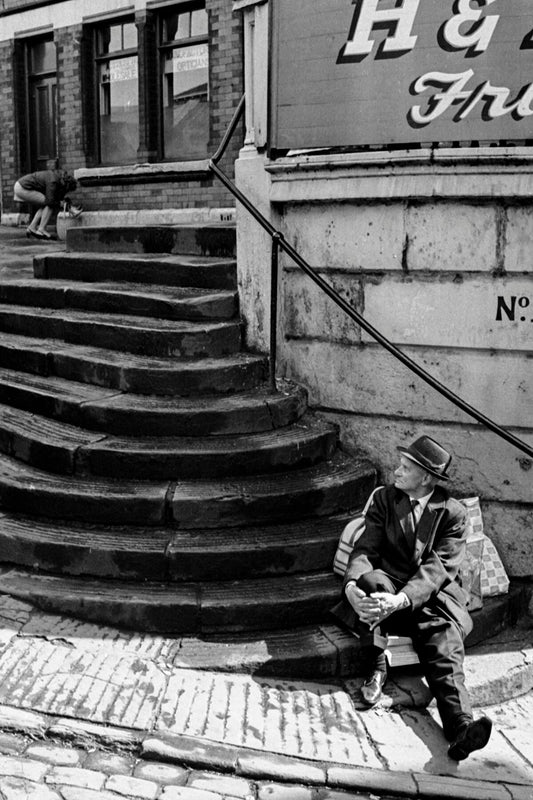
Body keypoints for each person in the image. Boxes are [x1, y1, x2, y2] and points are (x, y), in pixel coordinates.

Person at [331, 434, 492, 761]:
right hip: (386, 587)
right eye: (399, 465)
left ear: (427, 478)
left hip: (431, 600)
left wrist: (402, 600)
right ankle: (377, 666)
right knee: (372, 584)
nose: (397, 471)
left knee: (445, 651)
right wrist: (351, 590)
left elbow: (437, 571)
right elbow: (365, 550)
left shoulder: (453, 514)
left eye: (406, 468)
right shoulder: (385, 500)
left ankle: (461, 730)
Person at [14, 169, 78, 240]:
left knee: (45, 203)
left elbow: (56, 197)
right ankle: (41, 229)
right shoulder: (53, 182)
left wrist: (63, 202)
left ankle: (32, 227)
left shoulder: (58, 177)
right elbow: (51, 201)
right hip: (23, 188)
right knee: (49, 204)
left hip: (21, 185)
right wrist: (61, 204)